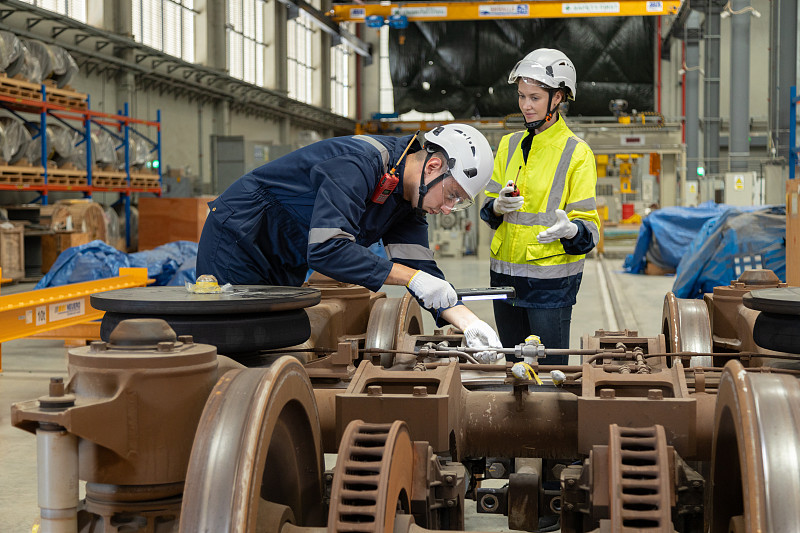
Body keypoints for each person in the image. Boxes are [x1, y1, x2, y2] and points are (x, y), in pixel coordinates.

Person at [197, 124, 502, 354]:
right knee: (233, 343)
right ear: (433, 167)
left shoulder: (408, 202)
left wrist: (470, 323)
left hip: (285, 255)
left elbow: (425, 274)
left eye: (459, 202)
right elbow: (328, 249)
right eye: (451, 196)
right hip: (239, 237)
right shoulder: (358, 163)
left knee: (273, 338)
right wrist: (411, 278)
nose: (448, 209)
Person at [480, 48, 600, 365]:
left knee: (548, 375)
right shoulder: (508, 144)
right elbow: (488, 210)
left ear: (557, 97)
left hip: (550, 288)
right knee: (513, 369)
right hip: (503, 281)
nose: (526, 106)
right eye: (521, 96)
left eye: (534, 97)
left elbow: (590, 231)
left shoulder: (577, 152)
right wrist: (497, 208)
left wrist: (572, 230)